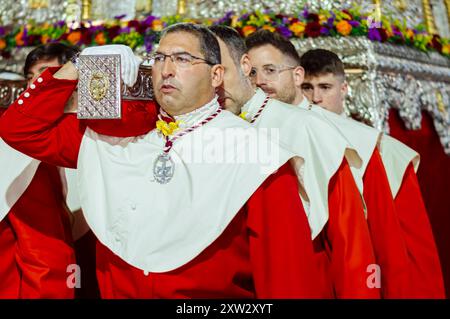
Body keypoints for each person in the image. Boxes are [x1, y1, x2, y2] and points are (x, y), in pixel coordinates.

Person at [0, 23, 323, 298]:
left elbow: (288, 276)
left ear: (216, 75)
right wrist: (78, 65)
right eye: (159, 58)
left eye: (183, 59)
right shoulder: (116, 137)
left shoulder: (258, 152)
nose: (166, 69)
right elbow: (20, 130)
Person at [210, 25, 379, 299]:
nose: (261, 80)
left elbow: (349, 237)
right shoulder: (212, 126)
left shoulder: (309, 127)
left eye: (269, 70)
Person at [299, 48, 445, 298]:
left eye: (325, 87)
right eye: (307, 88)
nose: (316, 98)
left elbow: (407, 245)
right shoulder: (295, 141)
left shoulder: (378, 148)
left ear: (344, 89)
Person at [0, 43, 78, 298]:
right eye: (31, 78)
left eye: (46, 75)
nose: (37, 85)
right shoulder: (22, 149)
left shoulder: (98, 129)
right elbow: (44, 255)